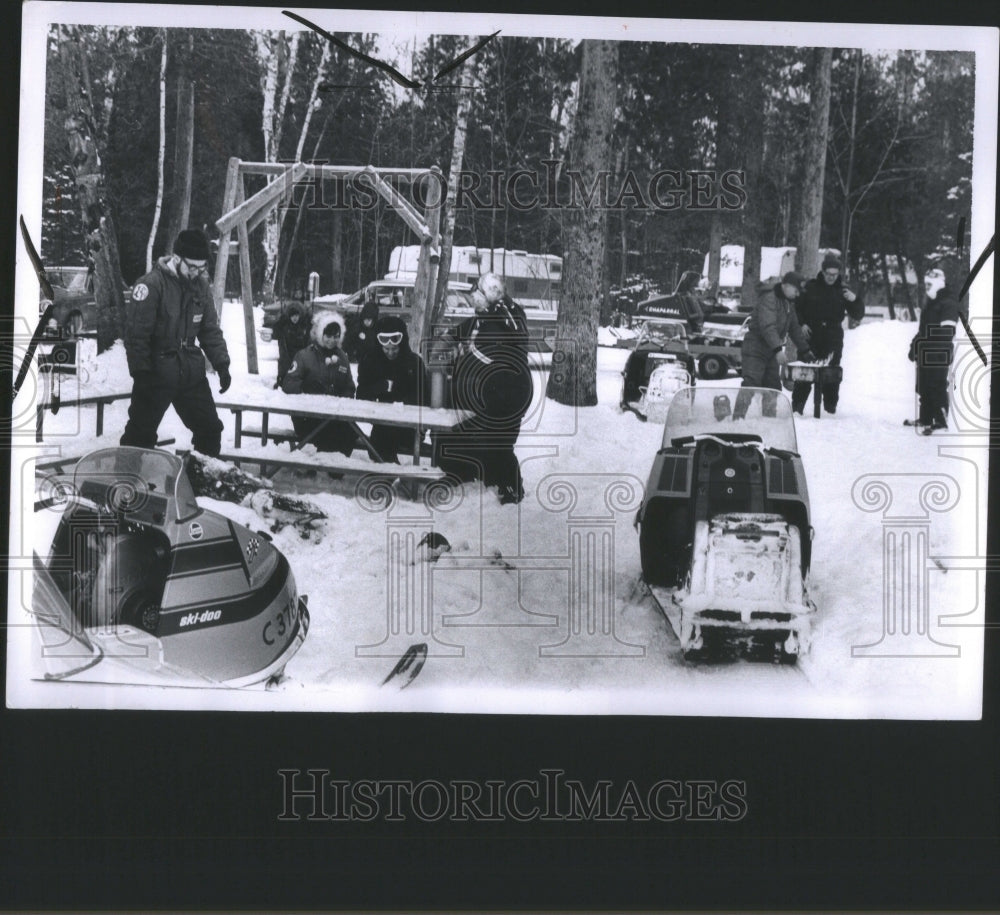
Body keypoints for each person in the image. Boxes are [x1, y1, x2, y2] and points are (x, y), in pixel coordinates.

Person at [120, 228, 231, 458]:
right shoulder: (151, 285)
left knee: (210, 430)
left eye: (202, 268)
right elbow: (136, 335)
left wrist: (222, 364)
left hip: (190, 373)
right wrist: (141, 373)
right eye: (192, 267)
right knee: (139, 437)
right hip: (156, 373)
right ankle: (127, 486)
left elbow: (210, 329)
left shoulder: (201, 287)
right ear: (177, 259)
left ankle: (199, 487)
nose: (197, 273)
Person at [436, 273, 533, 504]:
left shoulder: (504, 321)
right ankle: (462, 471)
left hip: (507, 393)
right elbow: (455, 334)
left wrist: (463, 357)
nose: (472, 300)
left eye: (476, 295)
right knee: (458, 431)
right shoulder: (482, 319)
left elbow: (491, 355)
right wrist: (443, 347)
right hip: (483, 391)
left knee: (498, 443)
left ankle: (510, 488)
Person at [733, 271, 814, 419]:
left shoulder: (788, 303)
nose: (797, 295)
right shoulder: (769, 299)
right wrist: (778, 349)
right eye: (796, 291)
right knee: (751, 382)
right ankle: (737, 418)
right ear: (787, 286)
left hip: (770, 350)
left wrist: (805, 349)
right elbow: (767, 326)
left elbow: (794, 327)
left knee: (773, 387)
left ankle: (769, 420)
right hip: (755, 347)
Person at [792, 253, 865, 415]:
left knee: (831, 374)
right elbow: (796, 309)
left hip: (833, 337)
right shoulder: (810, 287)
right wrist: (802, 324)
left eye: (835, 274)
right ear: (823, 272)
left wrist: (855, 300)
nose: (832, 278)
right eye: (829, 274)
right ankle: (797, 408)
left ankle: (830, 409)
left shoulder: (843, 291)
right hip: (811, 336)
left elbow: (858, 314)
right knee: (805, 372)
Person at [356, 316, 430, 463]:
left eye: (394, 348)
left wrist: (402, 402)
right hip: (383, 425)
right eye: (386, 349)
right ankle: (393, 475)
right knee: (377, 446)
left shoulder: (414, 363)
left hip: (409, 425)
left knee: (381, 445)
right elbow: (360, 395)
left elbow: (424, 397)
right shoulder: (371, 362)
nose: (390, 353)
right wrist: (379, 387)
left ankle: (393, 475)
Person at [281, 311, 357, 455]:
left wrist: (343, 398)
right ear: (320, 334)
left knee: (350, 432)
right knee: (328, 434)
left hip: (335, 416)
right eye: (328, 335)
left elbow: (349, 386)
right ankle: (324, 462)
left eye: (336, 336)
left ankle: (334, 465)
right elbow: (288, 384)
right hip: (307, 416)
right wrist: (305, 387)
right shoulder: (304, 356)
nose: (332, 340)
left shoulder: (342, 357)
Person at [908, 282, 960, 433]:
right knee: (923, 385)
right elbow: (922, 331)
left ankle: (940, 421)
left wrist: (931, 344)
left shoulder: (948, 303)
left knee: (936, 385)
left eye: (930, 284)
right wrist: (914, 346)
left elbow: (948, 331)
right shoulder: (930, 304)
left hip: (939, 352)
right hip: (925, 352)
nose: (927, 287)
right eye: (926, 284)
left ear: (940, 284)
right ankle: (925, 418)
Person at [271, 300, 311, 388]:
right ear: (289, 316)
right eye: (293, 316)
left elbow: (309, 336)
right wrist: (280, 322)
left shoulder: (303, 327)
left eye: (297, 316)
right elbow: (275, 334)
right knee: (284, 364)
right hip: (287, 353)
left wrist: (308, 318)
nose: (295, 318)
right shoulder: (285, 326)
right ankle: (281, 380)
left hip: (299, 353)